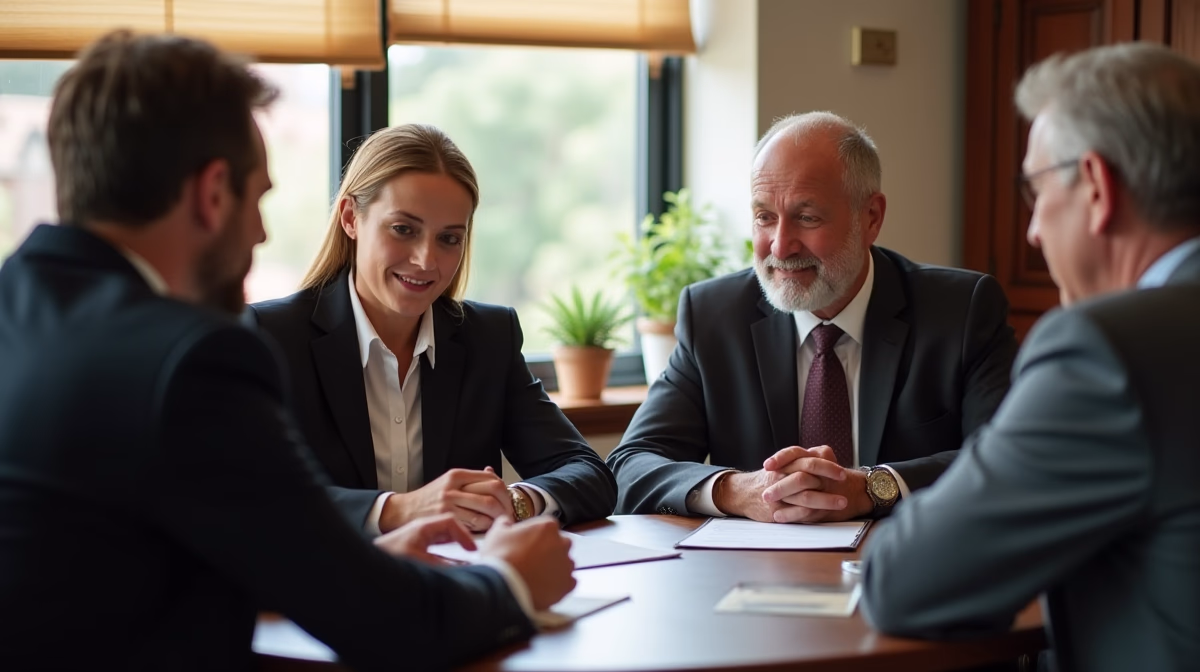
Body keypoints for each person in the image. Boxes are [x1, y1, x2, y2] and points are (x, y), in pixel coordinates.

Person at [0, 30, 576, 671]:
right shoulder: (192, 362)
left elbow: (134, 555)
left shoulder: (18, 310)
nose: (262, 231)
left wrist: (357, 559)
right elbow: (390, 626)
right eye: (259, 199)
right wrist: (510, 580)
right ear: (212, 193)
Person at [861, 43, 1200, 672]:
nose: (1033, 231)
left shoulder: (1107, 352)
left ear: (1096, 187)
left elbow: (908, 582)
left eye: (1035, 190)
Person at [607, 111, 1017, 523]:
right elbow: (630, 466)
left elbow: (1011, 459)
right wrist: (737, 490)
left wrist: (873, 487)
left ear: (870, 217)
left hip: (910, 567)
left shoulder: (961, 311)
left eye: (806, 217)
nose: (780, 247)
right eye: (764, 217)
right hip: (751, 574)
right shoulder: (713, 316)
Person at [244, 124, 616, 536]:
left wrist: (514, 503)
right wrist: (397, 510)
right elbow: (252, 493)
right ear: (351, 218)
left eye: (449, 238)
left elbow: (590, 475)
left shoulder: (488, 338)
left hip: (461, 588)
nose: (426, 260)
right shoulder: (269, 337)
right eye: (403, 229)